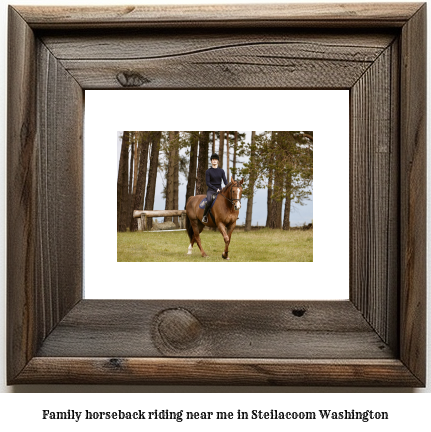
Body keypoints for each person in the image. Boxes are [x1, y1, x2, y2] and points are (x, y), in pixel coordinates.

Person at [202, 153, 228, 223]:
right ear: (211, 161)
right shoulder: (208, 171)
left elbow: (225, 181)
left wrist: (229, 186)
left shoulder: (221, 171)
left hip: (220, 190)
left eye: (215, 160)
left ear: (218, 161)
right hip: (211, 190)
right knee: (209, 200)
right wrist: (216, 189)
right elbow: (208, 183)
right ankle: (204, 216)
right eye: (213, 160)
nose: (214, 161)